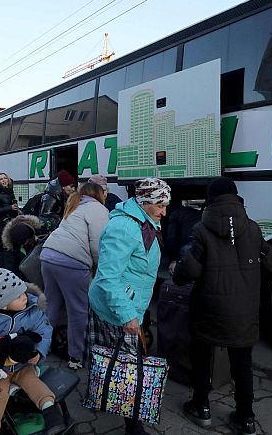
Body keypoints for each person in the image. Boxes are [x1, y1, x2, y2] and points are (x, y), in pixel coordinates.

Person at [173, 177, 272, 434]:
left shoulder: (201, 229)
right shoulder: (252, 228)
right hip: (245, 310)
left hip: (208, 309)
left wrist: (177, 271)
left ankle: (201, 406)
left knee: (201, 358)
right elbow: (271, 262)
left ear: (210, 199)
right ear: (235, 196)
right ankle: (246, 417)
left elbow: (190, 271)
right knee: (242, 364)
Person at [87, 177, 170, 435]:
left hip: (130, 306)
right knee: (127, 366)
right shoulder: (124, 227)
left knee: (117, 361)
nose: (164, 211)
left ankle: (105, 396)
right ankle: (132, 425)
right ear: (144, 202)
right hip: (117, 310)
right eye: (160, 204)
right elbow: (107, 278)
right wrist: (128, 315)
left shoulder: (146, 222)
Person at [0, 267, 66, 435]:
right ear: (3, 303)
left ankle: (51, 412)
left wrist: (38, 352)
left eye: (23, 292)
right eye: (18, 296)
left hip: (23, 364)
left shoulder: (32, 311)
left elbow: (44, 332)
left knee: (33, 382)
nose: (25, 297)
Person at [41, 181, 109, 369]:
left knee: (51, 306)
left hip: (48, 256)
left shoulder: (75, 204)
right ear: (98, 194)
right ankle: (75, 357)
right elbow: (98, 244)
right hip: (71, 261)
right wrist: (99, 268)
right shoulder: (98, 209)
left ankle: (39, 349)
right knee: (77, 310)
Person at [162, 189, 201, 274]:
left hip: (188, 245)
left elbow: (171, 239)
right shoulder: (192, 213)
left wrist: (174, 259)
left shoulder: (175, 215)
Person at [0, 215, 41, 280]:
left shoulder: (39, 230)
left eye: (25, 242)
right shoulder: (9, 246)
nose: (25, 244)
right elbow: (9, 269)